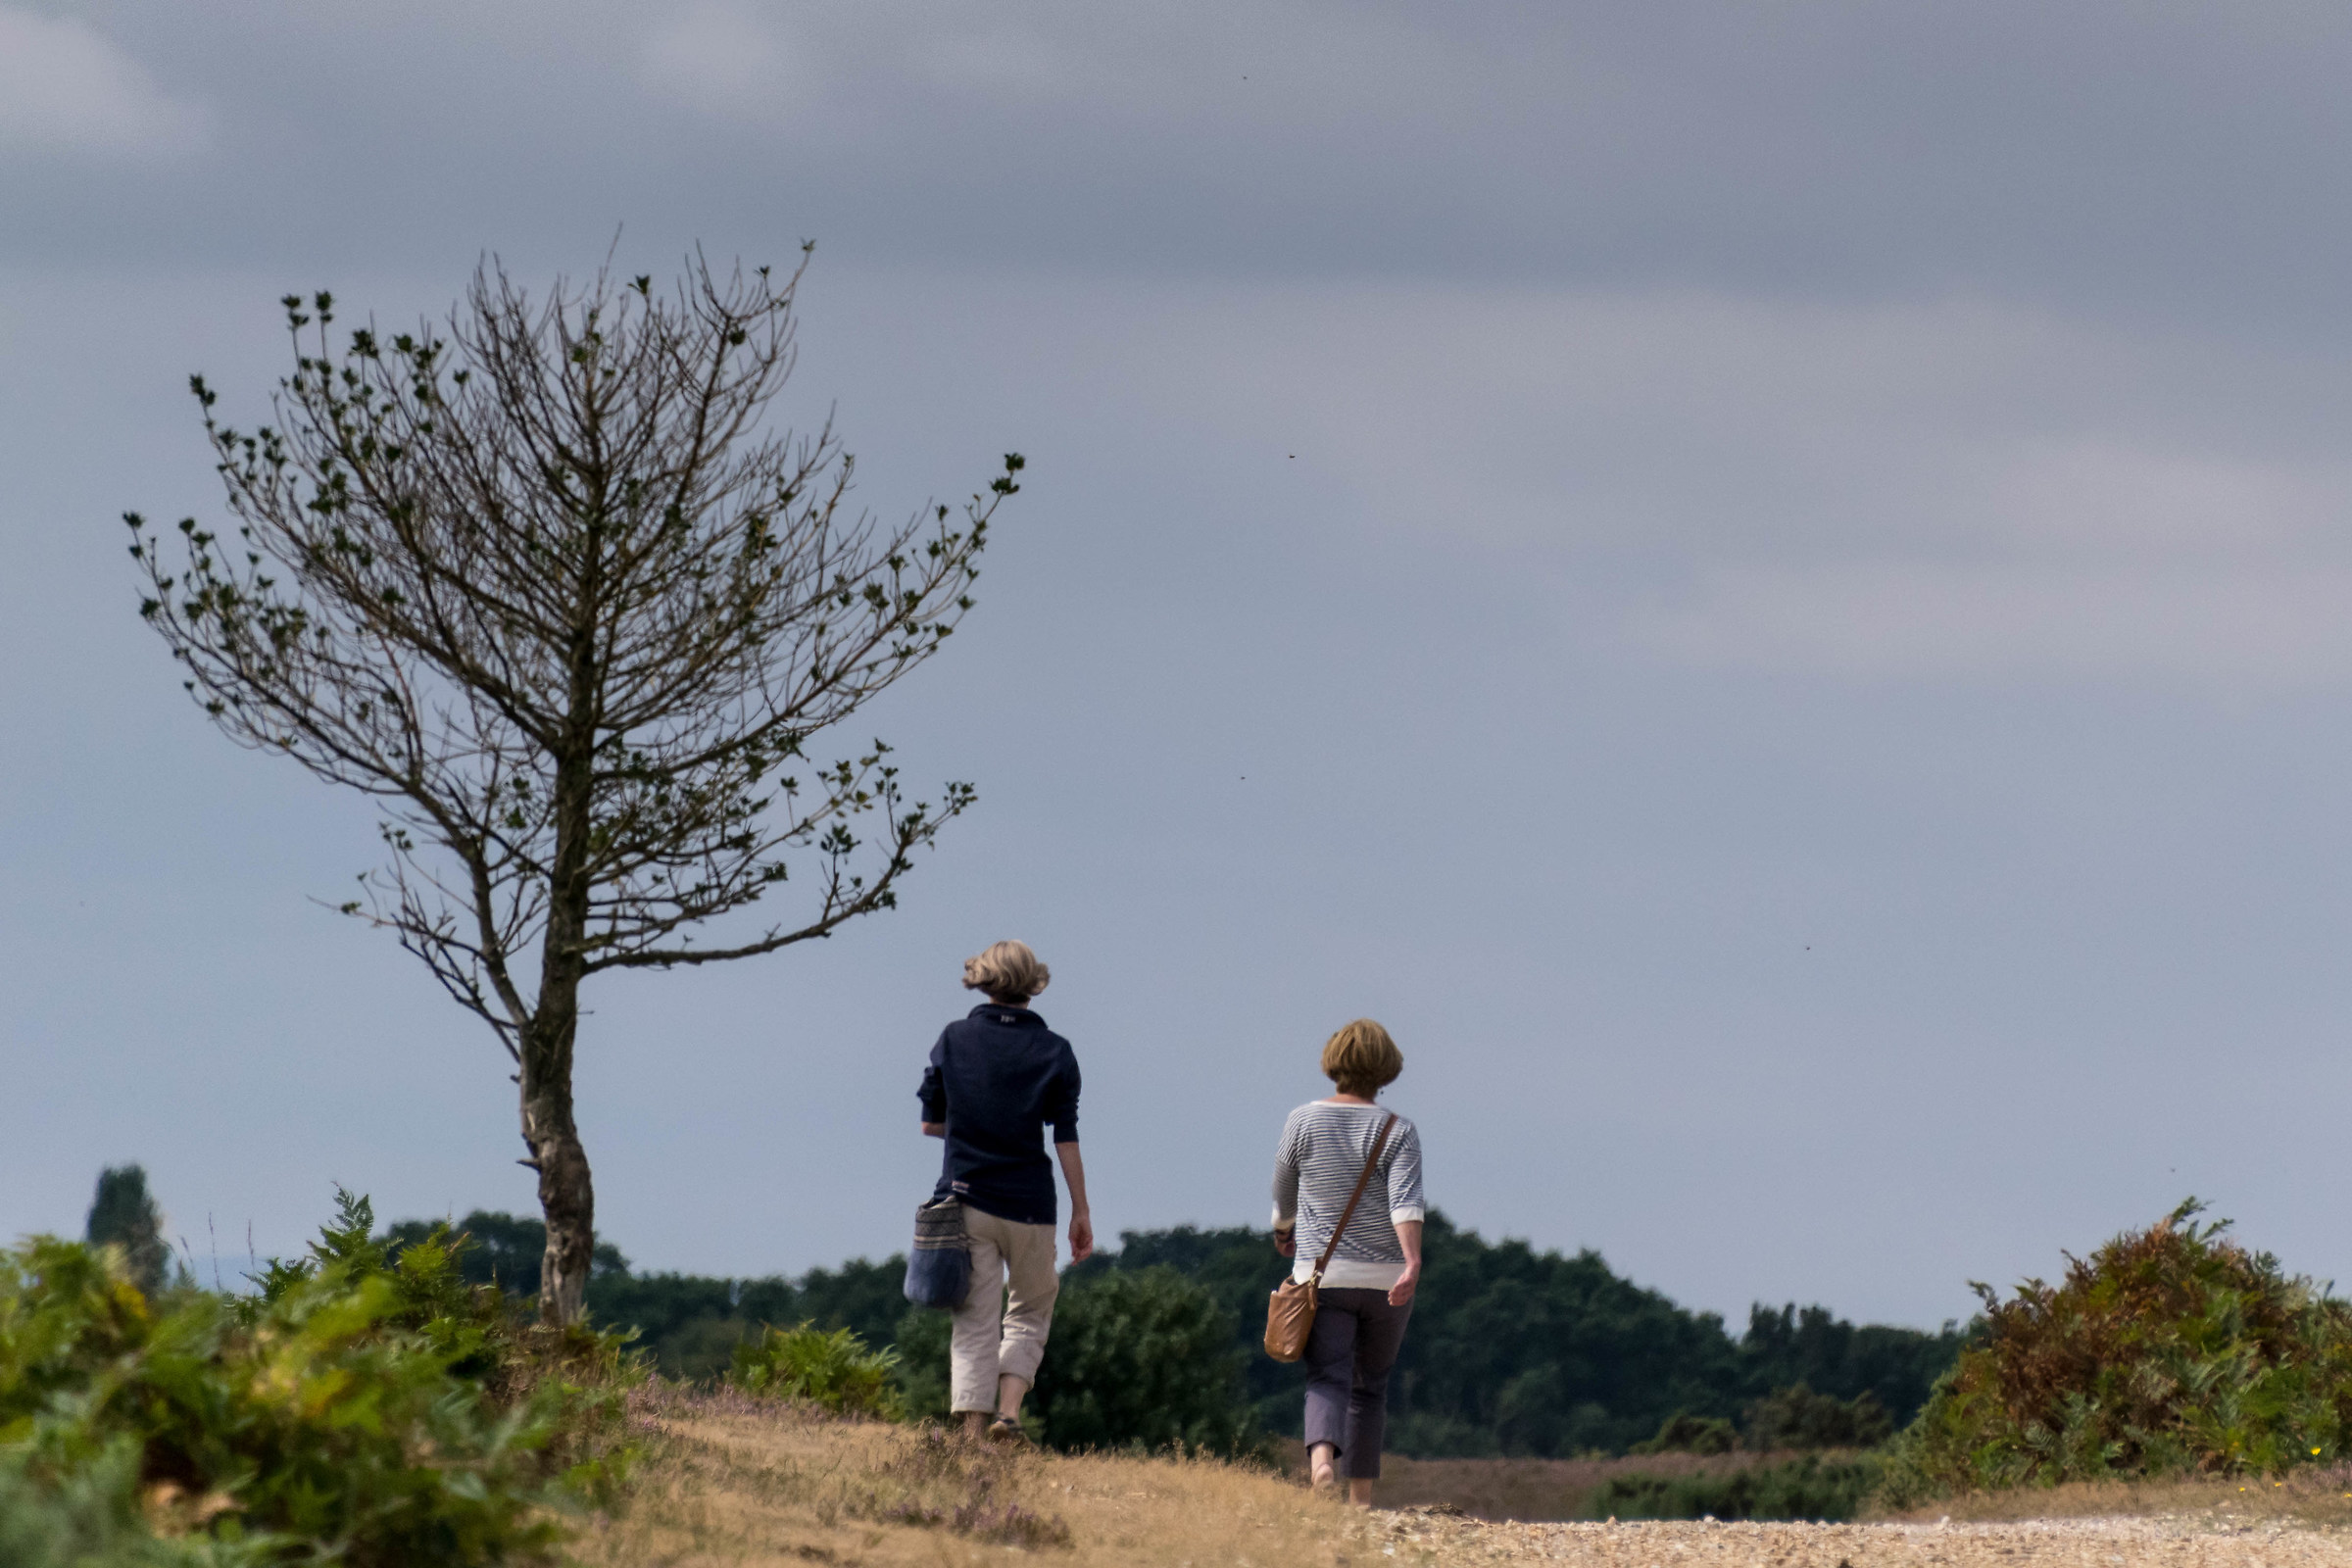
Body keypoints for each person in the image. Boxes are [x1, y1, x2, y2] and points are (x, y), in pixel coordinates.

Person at [919, 940, 1094, 1441]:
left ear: (983, 979)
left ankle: (972, 1436)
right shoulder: (1055, 1050)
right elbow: (1065, 1137)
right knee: (1031, 1309)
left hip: (968, 1199)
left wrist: (976, 1129)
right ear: (1033, 984)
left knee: (975, 1318)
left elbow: (931, 1124)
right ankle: (1009, 1413)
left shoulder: (954, 1039)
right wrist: (1081, 1210)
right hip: (1031, 1205)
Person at [1272, 1018, 1424, 1504]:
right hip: (1385, 1281)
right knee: (1370, 1386)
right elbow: (1405, 1203)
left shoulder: (1302, 1120)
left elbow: (1283, 1188)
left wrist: (1283, 1229)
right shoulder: (1399, 1130)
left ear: (1333, 1061)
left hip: (1323, 1277)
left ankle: (1321, 1462)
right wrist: (1412, 1262)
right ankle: (1360, 1501)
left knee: (1326, 1375)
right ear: (1386, 1069)